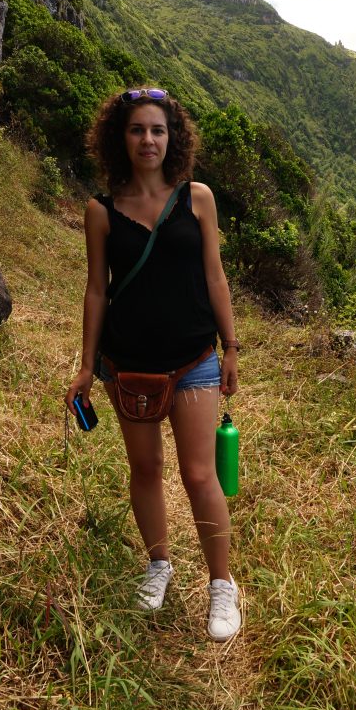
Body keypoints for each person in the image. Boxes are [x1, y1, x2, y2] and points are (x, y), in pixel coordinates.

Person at [65, 87, 241, 642]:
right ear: (120, 138)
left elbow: (215, 276)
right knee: (144, 469)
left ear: (173, 138)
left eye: (158, 130)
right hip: (129, 364)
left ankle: (221, 585)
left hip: (194, 361)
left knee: (199, 474)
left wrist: (232, 346)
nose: (148, 140)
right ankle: (158, 564)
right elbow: (97, 290)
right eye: (137, 129)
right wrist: (87, 365)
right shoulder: (101, 210)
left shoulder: (198, 199)